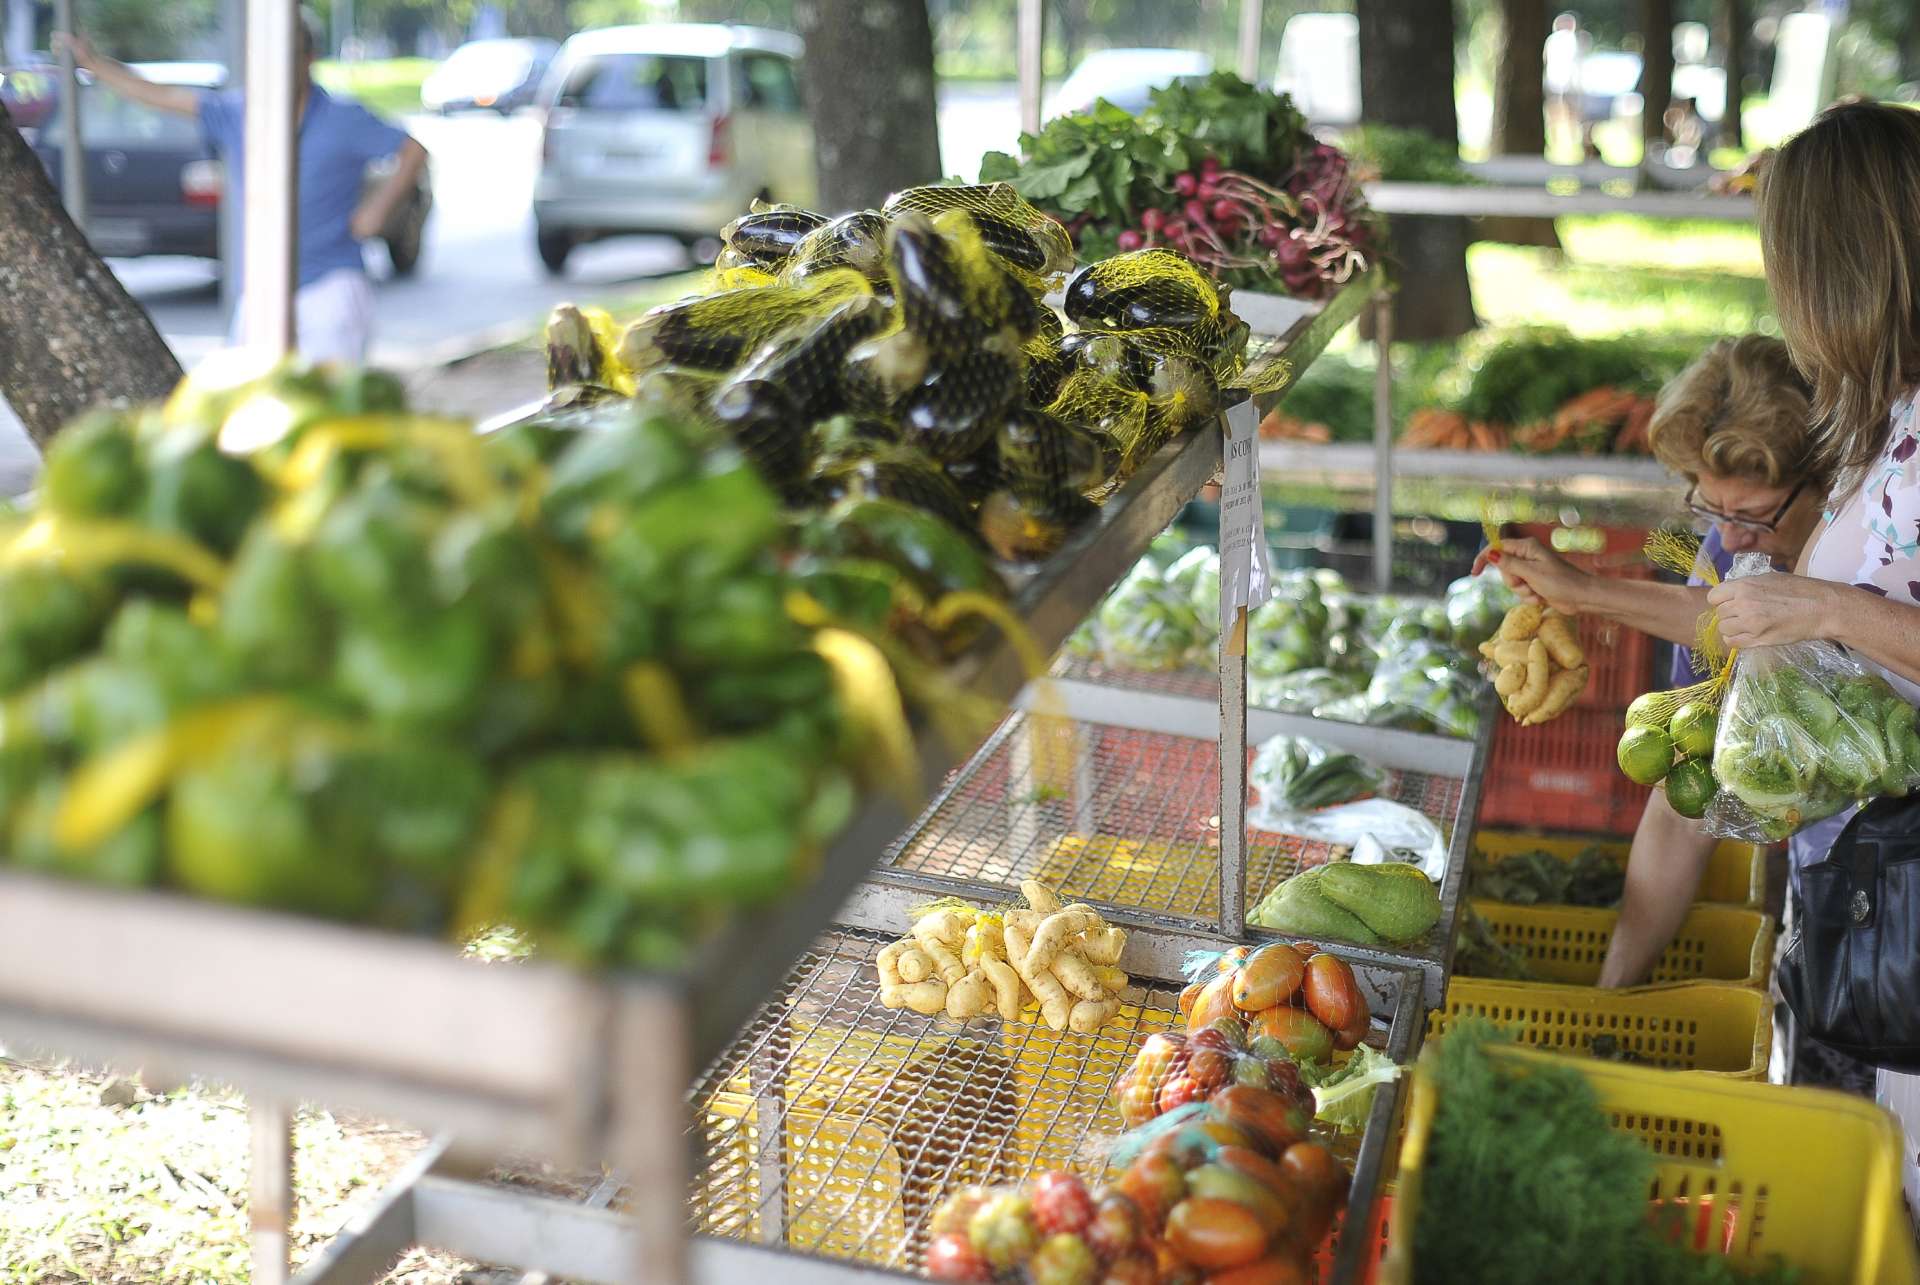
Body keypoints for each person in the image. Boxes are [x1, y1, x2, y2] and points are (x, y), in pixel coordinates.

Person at [1471, 335, 1829, 991]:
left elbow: (1767, 622)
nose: (1729, 536)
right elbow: (1679, 806)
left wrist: (1588, 592)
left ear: (1827, 477)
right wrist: (1614, 991)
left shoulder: (1872, 560)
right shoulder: (1724, 556)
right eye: (1709, 507)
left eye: (1752, 514)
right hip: (1834, 891)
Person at [56, 10, 427, 363]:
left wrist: (374, 213)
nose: (276, 63)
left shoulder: (343, 118)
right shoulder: (239, 113)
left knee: (330, 414)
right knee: (252, 412)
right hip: (260, 291)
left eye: (289, 51)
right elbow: (164, 96)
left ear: (309, 58)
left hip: (328, 288)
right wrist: (94, 64)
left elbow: (413, 150)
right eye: (268, 53)